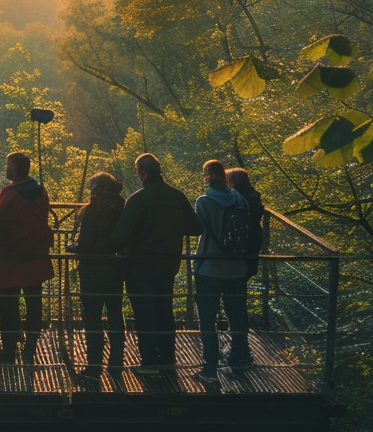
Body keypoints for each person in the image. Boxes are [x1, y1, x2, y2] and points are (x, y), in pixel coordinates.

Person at [110, 153, 202, 374]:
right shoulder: (177, 197)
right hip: (169, 263)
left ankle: (150, 362)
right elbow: (195, 228)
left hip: (140, 263)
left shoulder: (138, 199)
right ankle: (168, 358)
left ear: (142, 171)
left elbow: (118, 237)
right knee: (164, 309)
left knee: (145, 312)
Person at [193, 160, 253, 382]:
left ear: (206, 176)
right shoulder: (239, 199)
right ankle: (239, 360)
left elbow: (195, 228)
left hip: (209, 268)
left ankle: (209, 369)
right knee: (237, 316)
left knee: (208, 321)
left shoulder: (204, 201)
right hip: (237, 268)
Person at [0, 151, 54, 364]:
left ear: (17, 169)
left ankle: (9, 351)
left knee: (8, 304)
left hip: (12, 256)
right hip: (36, 255)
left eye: (9, 166)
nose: (6, 169)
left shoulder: (10, 194)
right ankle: (31, 347)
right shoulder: (40, 192)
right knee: (33, 302)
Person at [71, 172, 126, 372]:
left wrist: (75, 247)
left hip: (92, 269)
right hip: (115, 268)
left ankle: (94, 365)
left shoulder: (93, 211)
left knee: (92, 317)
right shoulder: (122, 207)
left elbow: (85, 243)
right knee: (115, 313)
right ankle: (116, 361)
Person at [226, 167, 266, 281]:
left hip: (241, 242)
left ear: (234, 181)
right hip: (254, 238)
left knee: (236, 279)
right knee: (244, 276)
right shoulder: (253, 196)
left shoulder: (236, 198)